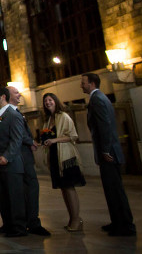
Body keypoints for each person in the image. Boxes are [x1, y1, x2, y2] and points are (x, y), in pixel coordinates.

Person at [81, 73, 136, 236]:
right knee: (111, 190)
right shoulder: (100, 98)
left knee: (115, 190)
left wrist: (105, 149)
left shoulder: (97, 99)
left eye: (83, 82)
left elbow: (104, 126)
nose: (81, 85)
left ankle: (125, 225)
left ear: (91, 83)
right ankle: (117, 221)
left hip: (108, 153)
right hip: (109, 151)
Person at [7, 85, 50, 236]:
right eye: (16, 93)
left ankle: (28, 220)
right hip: (21, 156)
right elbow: (18, 134)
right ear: (8, 96)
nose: (19, 95)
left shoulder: (15, 112)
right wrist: (30, 141)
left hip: (24, 155)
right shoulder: (11, 113)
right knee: (30, 188)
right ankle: (31, 222)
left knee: (30, 188)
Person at [0, 87, 26, 237]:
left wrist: (7, 156)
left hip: (11, 164)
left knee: (14, 197)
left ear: (3, 97)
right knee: (2, 196)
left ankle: (19, 227)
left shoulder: (13, 115)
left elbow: (17, 139)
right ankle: (7, 224)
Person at [40, 92, 85, 231]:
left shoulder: (63, 116)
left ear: (55, 101)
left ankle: (77, 219)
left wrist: (54, 140)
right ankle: (72, 218)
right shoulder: (48, 120)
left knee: (69, 187)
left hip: (66, 158)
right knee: (64, 189)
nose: (48, 102)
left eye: (50, 100)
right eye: (45, 101)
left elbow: (73, 136)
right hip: (55, 156)